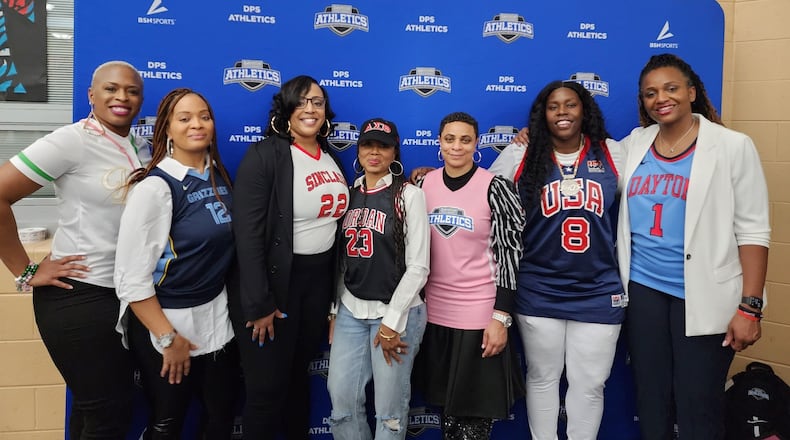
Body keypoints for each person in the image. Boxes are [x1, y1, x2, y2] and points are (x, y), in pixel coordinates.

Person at [617, 53, 770, 440]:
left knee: (697, 405)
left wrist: (750, 307)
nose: (660, 99)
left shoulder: (732, 146)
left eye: (670, 88)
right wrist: (531, 136)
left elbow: (753, 231)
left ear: (691, 91)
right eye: (650, 93)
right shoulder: (636, 142)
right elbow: (583, 155)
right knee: (650, 400)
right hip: (644, 290)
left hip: (705, 294)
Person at [0, 61, 148, 438]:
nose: (122, 97)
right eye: (111, 89)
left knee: (95, 409)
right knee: (107, 413)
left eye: (131, 91)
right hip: (78, 296)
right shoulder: (73, 140)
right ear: (91, 95)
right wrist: (25, 271)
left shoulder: (142, 146)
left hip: (124, 293)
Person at [229, 75, 349, 439]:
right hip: (273, 285)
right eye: (300, 102)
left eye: (317, 101)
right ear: (286, 110)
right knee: (266, 391)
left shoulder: (331, 157)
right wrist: (258, 303)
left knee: (298, 381)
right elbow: (247, 236)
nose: (309, 109)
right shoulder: (266, 154)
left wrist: (330, 304)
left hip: (314, 288)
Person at [114, 88, 239, 438]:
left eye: (204, 116)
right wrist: (169, 339)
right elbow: (130, 279)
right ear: (167, 129)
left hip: (216, 317)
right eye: (184, 119)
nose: (197, 124)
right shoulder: (155, 189)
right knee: (168, 421)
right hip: (167, 322)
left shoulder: (219, 176)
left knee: (221, 417)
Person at [512, 81, 624, 440]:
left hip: (599, 288)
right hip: (539, 287)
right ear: (542, 114)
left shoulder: (611, 153)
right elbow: (480, 189)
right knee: (542, 377)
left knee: (590, 384)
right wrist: (425, 177)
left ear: (584, 110)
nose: (562, 112)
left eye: (570, 105)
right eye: (553, 106)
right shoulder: (522, 155)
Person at [416, 111, 526, 440]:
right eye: (450, 139)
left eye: (465, 140)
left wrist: (500, 317)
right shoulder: (424, 184)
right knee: (447, 414)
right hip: (434, 315)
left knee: (473, 425)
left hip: (479, 317)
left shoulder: (496, 187)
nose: (457, 147)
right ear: (439, 142)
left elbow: (510, 253)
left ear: (476, 143)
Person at [327, 117, 430, 439]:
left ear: (394, 152)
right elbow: (340, 260)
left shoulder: (408, 195)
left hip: (396, 314)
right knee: (341, 403)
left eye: (383, 146)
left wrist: (392, 321)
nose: (374, 152)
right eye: (368, 145)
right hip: (351, 310)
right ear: (358, 150)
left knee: (389, 412)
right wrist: (334, 311)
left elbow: (419, 266)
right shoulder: (348, 193)